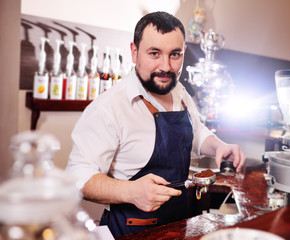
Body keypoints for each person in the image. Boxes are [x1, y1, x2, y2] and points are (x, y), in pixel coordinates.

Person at [66, 11, 245, 237]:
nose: (166, 66)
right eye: (154, 53)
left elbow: (197, 131)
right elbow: (76, 177)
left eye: (175, 54)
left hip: (180, 225)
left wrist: (219, 146)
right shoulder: (109, 108)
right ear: (134, 52)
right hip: (132, 232)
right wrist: (131, 192)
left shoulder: (180, 92)